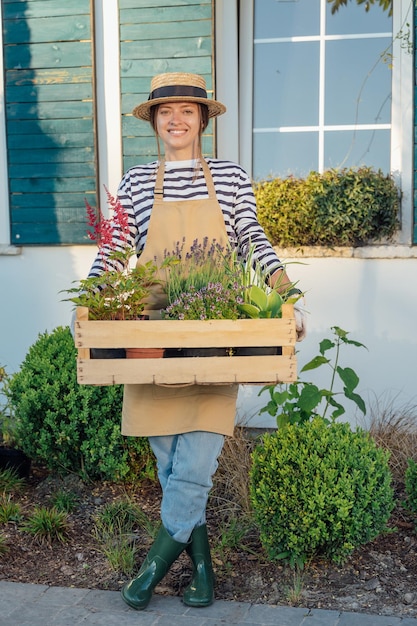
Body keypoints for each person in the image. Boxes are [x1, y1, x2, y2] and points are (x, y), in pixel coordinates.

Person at [85, 72, 306, 611]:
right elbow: (116, 250)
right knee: (170, 469)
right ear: (155, 122)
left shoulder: (230, 177)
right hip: (152, 337)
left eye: (187, 110)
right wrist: (90, 298)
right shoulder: (138, 182)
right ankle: (203, 570)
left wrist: (288, 293)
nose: (176, 120)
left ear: (203, 119)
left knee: (194, 464)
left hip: (213, 329)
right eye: (166, 113)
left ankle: (150, 571)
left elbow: (252, 239)